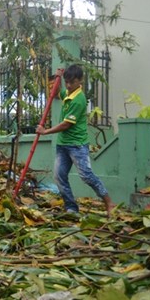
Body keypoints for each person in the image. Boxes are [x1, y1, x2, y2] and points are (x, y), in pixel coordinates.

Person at [36, 64, 114, 217]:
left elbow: (66, 124)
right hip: (63, 145)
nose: (69, 85)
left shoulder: (79, 99)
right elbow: (57, 93)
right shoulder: (69, 92)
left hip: (77, 146)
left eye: (72, 82)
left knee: (86, 176)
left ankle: (109, 202)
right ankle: (71, 207)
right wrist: (57, 77)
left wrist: (45, 132)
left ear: (80, 81)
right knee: (59, 176)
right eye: (67, 82)